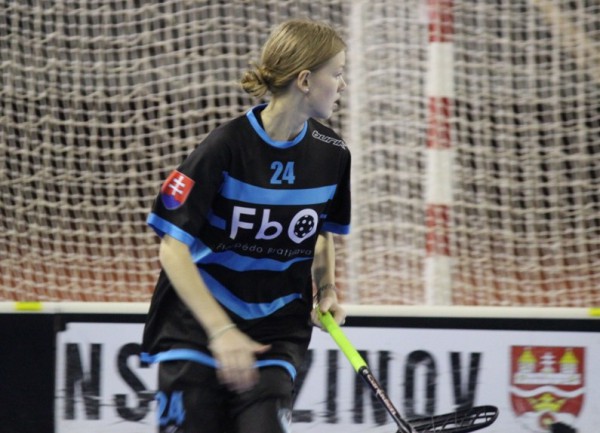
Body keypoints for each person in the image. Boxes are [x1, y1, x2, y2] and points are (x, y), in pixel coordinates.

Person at [141, 18, 350, 433]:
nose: (342, 85)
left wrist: (326, 287)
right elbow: (172, 246)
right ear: (305, 80)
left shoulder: (333, 154)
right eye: (337, 73)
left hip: (276, 326)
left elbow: (320, 231)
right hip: (196, 325)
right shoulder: (225, 147)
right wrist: (220, 331)